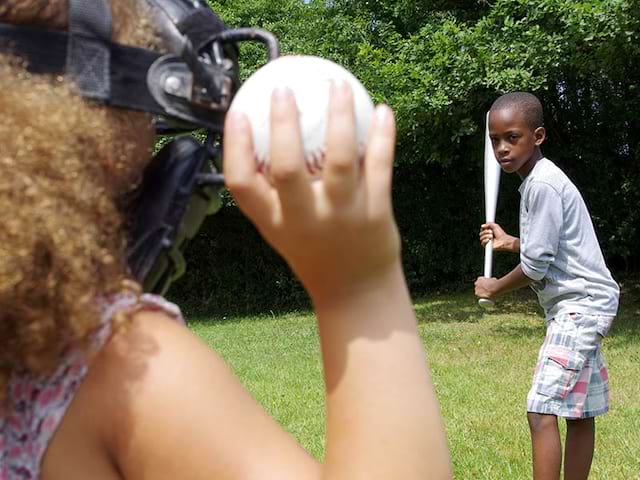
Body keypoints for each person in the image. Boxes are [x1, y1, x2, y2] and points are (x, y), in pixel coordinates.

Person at [0, 1, 452, 479]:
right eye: (144, 114)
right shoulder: (122, 370)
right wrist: (360, 287)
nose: (153, 128)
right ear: (91, 131)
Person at [474, 92, 619, 480]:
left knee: (541, 409)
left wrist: (494, 288)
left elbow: (536, 267)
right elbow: (551, 247)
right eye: (495, 140)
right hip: (587, 302)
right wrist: (510, 243)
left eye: (513, 137)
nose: (502, 148)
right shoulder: (541, 180)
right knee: (580, 412)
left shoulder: (542, 185)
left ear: (537, 136)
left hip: (580, 306)